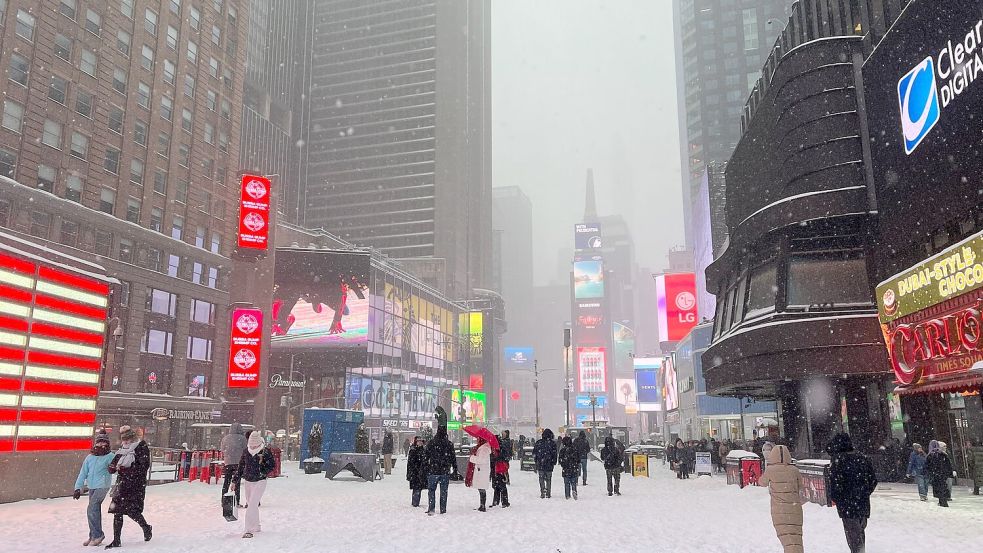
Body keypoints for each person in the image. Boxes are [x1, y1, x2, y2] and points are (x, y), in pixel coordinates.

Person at [826, 432, 877, 553]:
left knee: (853, 536)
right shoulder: (862, 458)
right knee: (859, 533)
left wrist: (839, 499)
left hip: (847, 505)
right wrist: (864, 493)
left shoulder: (838, 461)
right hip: (862, 503)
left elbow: (834, 484)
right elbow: (873, 480)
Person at [104, 426, 152, 549]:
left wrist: (127, 471)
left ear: (132, 438)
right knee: (117, 511)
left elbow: (143, 467)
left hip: (135, 485)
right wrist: (112, 468)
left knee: (132, 511)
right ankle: (116, 540)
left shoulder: (140, 447)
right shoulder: (122, 451)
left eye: (128, 439)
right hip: (122, 485)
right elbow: (113, 464)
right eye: (123, 439)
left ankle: (146, 527)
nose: (125, 441)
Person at [759, 445, 804, 553]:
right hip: (795, 509)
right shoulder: (794, 470)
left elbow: (762, 482)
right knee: (796, 538)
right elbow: (800, 486)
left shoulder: (770, 470)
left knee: (786, 538)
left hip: (779, 509)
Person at [74, 431, 115, 547]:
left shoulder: (110, 456)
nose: (101, 445)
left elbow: (115, 467)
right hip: (92, 486)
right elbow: (83, 473)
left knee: (92, 508)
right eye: (99, 442)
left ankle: (98, 535)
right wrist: (78, 487)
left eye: (104, 443)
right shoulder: (90, 457)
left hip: (102, 486)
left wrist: (113, 468)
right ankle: (93, 535)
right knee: (93, 511)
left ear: (107, 444)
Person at [235, 431, 276, 538]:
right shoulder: (246, 451)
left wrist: (263, 471)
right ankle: (256, 526)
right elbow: (240, 466)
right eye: (251, 444)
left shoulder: (265, 451)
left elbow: (272, 465)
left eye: (255, 445)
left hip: (260, 480)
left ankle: (248, 529)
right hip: (248, 480)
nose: (253, 447)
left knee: (252, 504)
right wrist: (235, 481)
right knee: (251, 503)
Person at [424, 426, 456, 515]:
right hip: (445, 471)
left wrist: (426, 467)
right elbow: (453, 457)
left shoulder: (431, 443)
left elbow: (426, 456)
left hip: (433, 470)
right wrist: (455, 468)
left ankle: (431, 508)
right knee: (444, 491)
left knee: (431, 490)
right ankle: (443, 509)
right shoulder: (449, 444)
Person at [220, 422, 247, 507]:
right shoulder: (243, 439)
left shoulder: (225, 438)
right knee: (237, 482)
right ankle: (236, 501)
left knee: (226, 482)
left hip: (228, 462)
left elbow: (222, 449)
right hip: (238, 463)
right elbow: (245, 450)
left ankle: (223, 500)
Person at [925, 440, 954, 507]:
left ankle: (942, 501)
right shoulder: (943, 454)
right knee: (943, 486)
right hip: (943, 474)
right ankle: (943, 501)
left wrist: (928, 473)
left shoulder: (930, 455)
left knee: (938, 487)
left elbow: (927, 466)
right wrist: (949, 473)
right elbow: (948, 464)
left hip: (935, 474)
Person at [466, 437, 493, 511]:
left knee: (481, 488)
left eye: (479, 439)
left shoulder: (484, 448)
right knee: (481, 488)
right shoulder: (483, 447)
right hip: (481, 471)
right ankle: (482, 505)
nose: (477, 440)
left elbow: (481, 460)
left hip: (481, 471)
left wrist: (472, 457)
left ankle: (482, 506)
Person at [533, 429, 558, 498]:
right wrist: (554, 461)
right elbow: (555, 454)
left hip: (540, 464)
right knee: (548, 479)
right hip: (549, 464)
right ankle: (548, 492)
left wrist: (536, 461)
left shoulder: (538, 443)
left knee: (541, 478)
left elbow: (534, 453)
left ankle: (542, 491)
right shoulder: (552, 443)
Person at [406, 436, 428, 507]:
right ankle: (415, 502)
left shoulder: (423, 450)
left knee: (419, 488)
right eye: (418, 441)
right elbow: (410, 463)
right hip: (415, 472)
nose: (420, 442)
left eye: (421, 441)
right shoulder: (413, 450)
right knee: (417, 488)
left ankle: (415, 502)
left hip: (421, 472)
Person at [492, 430, 512, 508]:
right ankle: (503, 501)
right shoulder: (500, 445)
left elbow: (504, 455)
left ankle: (499, 501)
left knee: (499, 485)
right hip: (501, 467)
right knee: (500, 485)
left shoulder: (501, 445)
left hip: (499, 467)